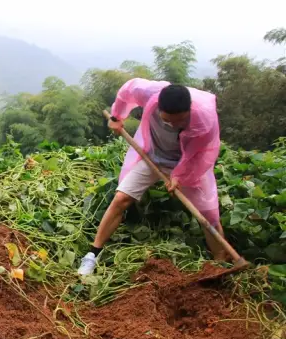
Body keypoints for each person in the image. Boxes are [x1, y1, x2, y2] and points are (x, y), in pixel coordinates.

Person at [77, 78, 233, 276]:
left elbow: (201, 156)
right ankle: (92, 255)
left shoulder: (204, 121)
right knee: (121, 198)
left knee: (208, 217)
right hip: (153, 157)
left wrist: (179, 176)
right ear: (157, 104)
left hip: (188, 163)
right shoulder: (148, 91)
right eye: (167, 120)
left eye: (180, 121)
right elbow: (126, 91)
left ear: (189, 110)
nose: (173, 125)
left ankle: (220, 265)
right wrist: (117, 117)